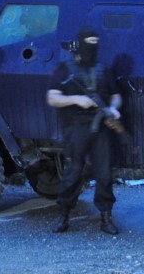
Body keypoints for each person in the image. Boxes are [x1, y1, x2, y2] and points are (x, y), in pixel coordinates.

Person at [46, 27, 122, 235]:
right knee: (73, 172)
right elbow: (52, 98)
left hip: (101, 128)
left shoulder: (103, 69)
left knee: (104, 174)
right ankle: (64, 215)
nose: (92, 47)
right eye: (89, 42)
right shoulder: (65, 69)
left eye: (95, 42)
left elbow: (116, 95)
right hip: (76, 128)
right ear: (80, 44)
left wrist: (113, 109)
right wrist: (76, 99)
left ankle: (106, 216)